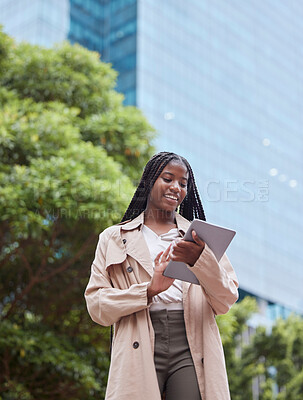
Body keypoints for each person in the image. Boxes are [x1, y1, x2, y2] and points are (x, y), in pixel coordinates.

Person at [85, 151, 239, 400]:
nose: (176, 187)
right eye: (167, 179)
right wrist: (149, 290)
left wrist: (199, 260)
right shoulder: (114, 237)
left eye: (182, 183)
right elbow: (97, 306)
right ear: (148, 182)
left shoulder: (200, 238)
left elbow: (226, 300)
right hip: (138, 336)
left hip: (191, 342)